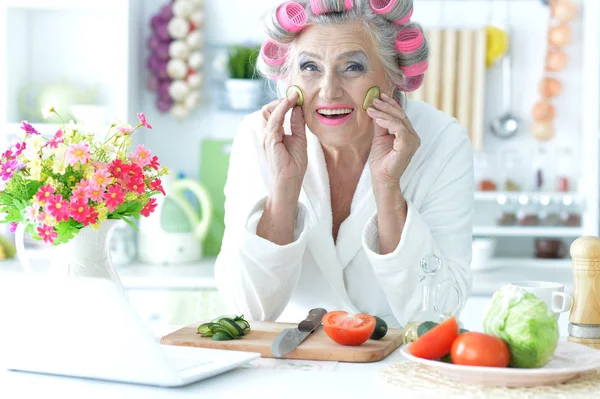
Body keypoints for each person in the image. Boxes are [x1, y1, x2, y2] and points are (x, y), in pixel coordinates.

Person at [214, 0, 473, 328]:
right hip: (291, 358)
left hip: (396, 361)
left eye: (352, 67)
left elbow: (438, 315)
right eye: (310, 67)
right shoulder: (260, 136)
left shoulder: (440, 141)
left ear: (392, 77)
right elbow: (247, 309)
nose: (329, 90)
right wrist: (284, 186)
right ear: (287, 78)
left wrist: (388, 189)